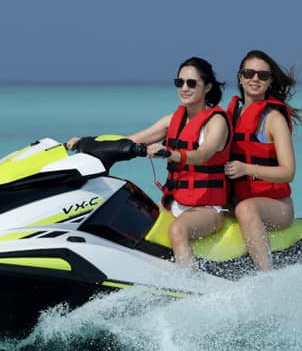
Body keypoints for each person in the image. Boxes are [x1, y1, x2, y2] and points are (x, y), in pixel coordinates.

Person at [69, 57, 230, 267]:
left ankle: (189, 286)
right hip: (174, 203)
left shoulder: (216, 122)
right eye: (179, 82)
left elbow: (203, 154)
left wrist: (171, 154)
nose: (184, 88)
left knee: (177, 230)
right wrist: (86, 142)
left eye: (191, 83)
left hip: (209, 209)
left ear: (207, 86)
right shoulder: (173, 120)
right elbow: (131, 140)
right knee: (129, 217)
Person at [223, 50, 302, 271]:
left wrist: (246, 168)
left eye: (262, 75)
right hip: (236, 198)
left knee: (246, 209)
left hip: (277, 207)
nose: (255, 79)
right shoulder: (230, 116)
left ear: (270, 82)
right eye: (249, 73)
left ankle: (266, 276)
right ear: (240, 77)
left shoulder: (273, 119)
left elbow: (288, 172)